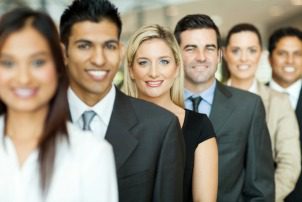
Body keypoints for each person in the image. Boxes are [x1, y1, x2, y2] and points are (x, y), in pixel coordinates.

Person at [59, 0, 185, 201]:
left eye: (109, 46)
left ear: (120, 51)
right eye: (84, 46)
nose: (99, 59)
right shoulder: (36, 123)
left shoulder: (160, 128)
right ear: (64, 52)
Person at [0, 7, 117, 202]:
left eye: (37, 62)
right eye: (8, 63)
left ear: (58, 64)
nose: (23, 78)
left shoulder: (92, 154)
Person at [174, 14, 275, 201]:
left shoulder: (248, 106)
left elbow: (261, 188)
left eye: (209, 48)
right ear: (176, 54)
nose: (201, 57)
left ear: (220, 54)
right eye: (191, 48)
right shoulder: (162, 106)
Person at [123, 24, 218, 202]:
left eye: (164, 61)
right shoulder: (115, 123)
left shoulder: (198, 127)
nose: (153, 72)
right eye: (143, 62)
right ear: (131, 70)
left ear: (176, 68)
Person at [223, 23, 301, 202]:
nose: (244, 58)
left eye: (251, 50)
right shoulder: (209, 98)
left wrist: (263, 199)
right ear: (225, 53)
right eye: (236, 50)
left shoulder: (279, 102)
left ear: (261, 54)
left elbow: (290, 163)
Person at [268, 26, 302, 202]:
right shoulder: (252, 100)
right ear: (270, 58)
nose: (290, 61)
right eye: (282, 53)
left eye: (297, 54)